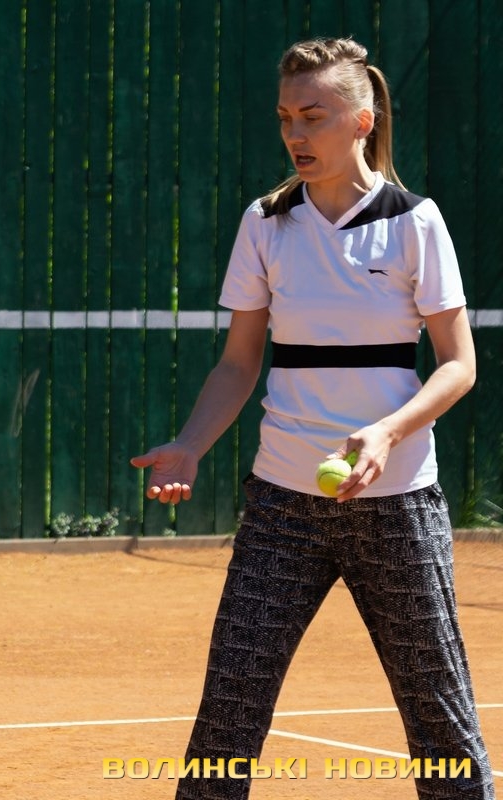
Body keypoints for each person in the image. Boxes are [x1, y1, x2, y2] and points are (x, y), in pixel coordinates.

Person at [130, 38, 493, 800]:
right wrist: (190, 446)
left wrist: (387, 432)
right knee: (228, 712)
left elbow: (459, 364)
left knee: (440, 716)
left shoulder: (415, 222)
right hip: (282, 508)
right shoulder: (265, 223)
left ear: (363, 119)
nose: (295, 133)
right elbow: (238, 364)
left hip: (397, 505)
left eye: (313, 116)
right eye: (285, 117)